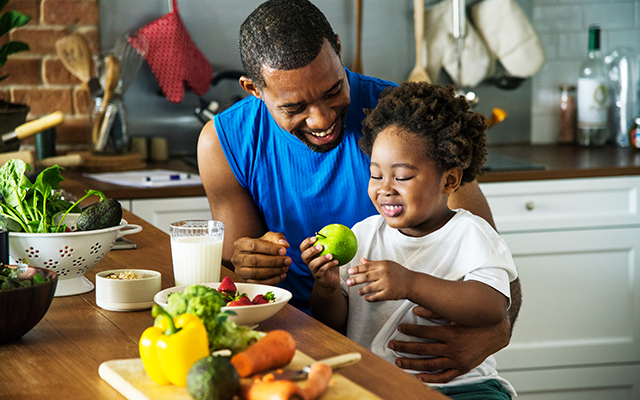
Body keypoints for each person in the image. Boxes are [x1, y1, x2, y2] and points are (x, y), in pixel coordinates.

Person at [197, 0, 522, 383]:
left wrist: (494, 334)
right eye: (295, 106)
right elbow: (236, 283)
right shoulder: (224, 143)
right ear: (254, 89)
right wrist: (246, 262)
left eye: (334, 90)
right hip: (284, 345)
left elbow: (494, 267)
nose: (322, 119)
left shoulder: (405, 125)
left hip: (412, 362)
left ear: (338, 47)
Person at [302, 82, 517, 399]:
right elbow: (334, 322)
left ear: (450, 179)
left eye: (401, 177)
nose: (385, 188)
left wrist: (411, 283)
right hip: (376, 386)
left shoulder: (470, 234)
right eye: (376, 174)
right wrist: (327, 287)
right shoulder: (364, 235)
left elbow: (492, 307)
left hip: (462, 388)